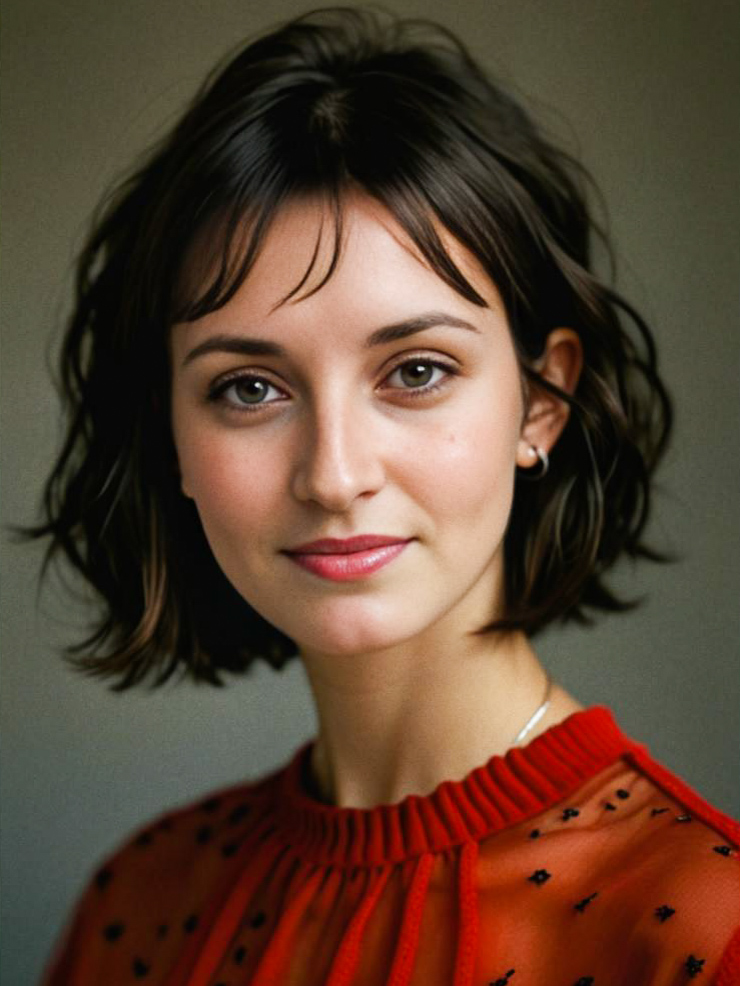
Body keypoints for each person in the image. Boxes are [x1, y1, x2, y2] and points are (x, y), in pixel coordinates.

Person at [27, 7, 738, 984]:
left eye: (413, 370)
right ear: (171, 437)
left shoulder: (701, 924)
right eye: (249, 387)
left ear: (541, 399)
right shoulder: (143, 902)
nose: (333, 472)